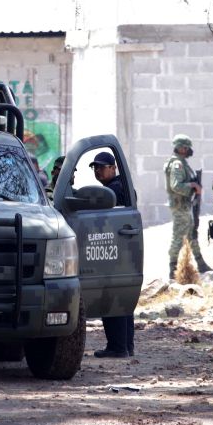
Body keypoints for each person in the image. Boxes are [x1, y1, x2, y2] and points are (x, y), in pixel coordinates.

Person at [88, 151, 134, 358]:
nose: (97, 170)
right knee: (122, 296)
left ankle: (117, 347)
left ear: (113, 168)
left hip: (115, 249)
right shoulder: (118, 187)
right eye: (95, 167)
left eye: (102, 166)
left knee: (111, 294)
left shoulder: (114, 189)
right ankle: (125, 345)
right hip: (123, 249)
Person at [164, 134, 212, 279]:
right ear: (182, 148)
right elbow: (175, 186)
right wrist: (192, 185)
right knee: (178, 236)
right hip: (180, 206)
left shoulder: (182, 163)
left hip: (184, 205)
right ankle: (172, 269)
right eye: (187, 148)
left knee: (192, 234)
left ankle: (201, 263)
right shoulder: (177, 164)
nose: (189, 150)